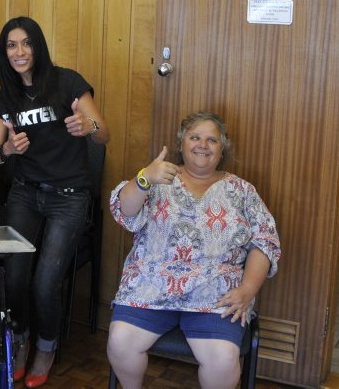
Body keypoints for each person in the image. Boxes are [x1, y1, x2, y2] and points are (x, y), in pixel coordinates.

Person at [106, 112, 281, 389]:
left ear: (222, 148)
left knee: (223, 360)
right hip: (150, 287)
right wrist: (144, 178)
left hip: (215, 294)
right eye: (195, 137)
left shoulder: (242, 191)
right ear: (181, 143)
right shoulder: (158, 177)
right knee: (120, 341)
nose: (203, 144)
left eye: (212, 139)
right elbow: (124, 211)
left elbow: (265, 241)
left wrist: (248, 289)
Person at [0, 16, 109, 388]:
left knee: (44, 282)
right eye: (11, 45)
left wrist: (87, 128)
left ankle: (46, 346)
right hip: (25, 191)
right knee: (14, 273)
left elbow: (104, 134)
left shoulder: (67, 82)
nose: (19, 52)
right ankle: (20, 338)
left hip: (68, 197)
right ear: (4, 52)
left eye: (26, 43)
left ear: (38, 46)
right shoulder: (7, 94)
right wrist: (6, 149)